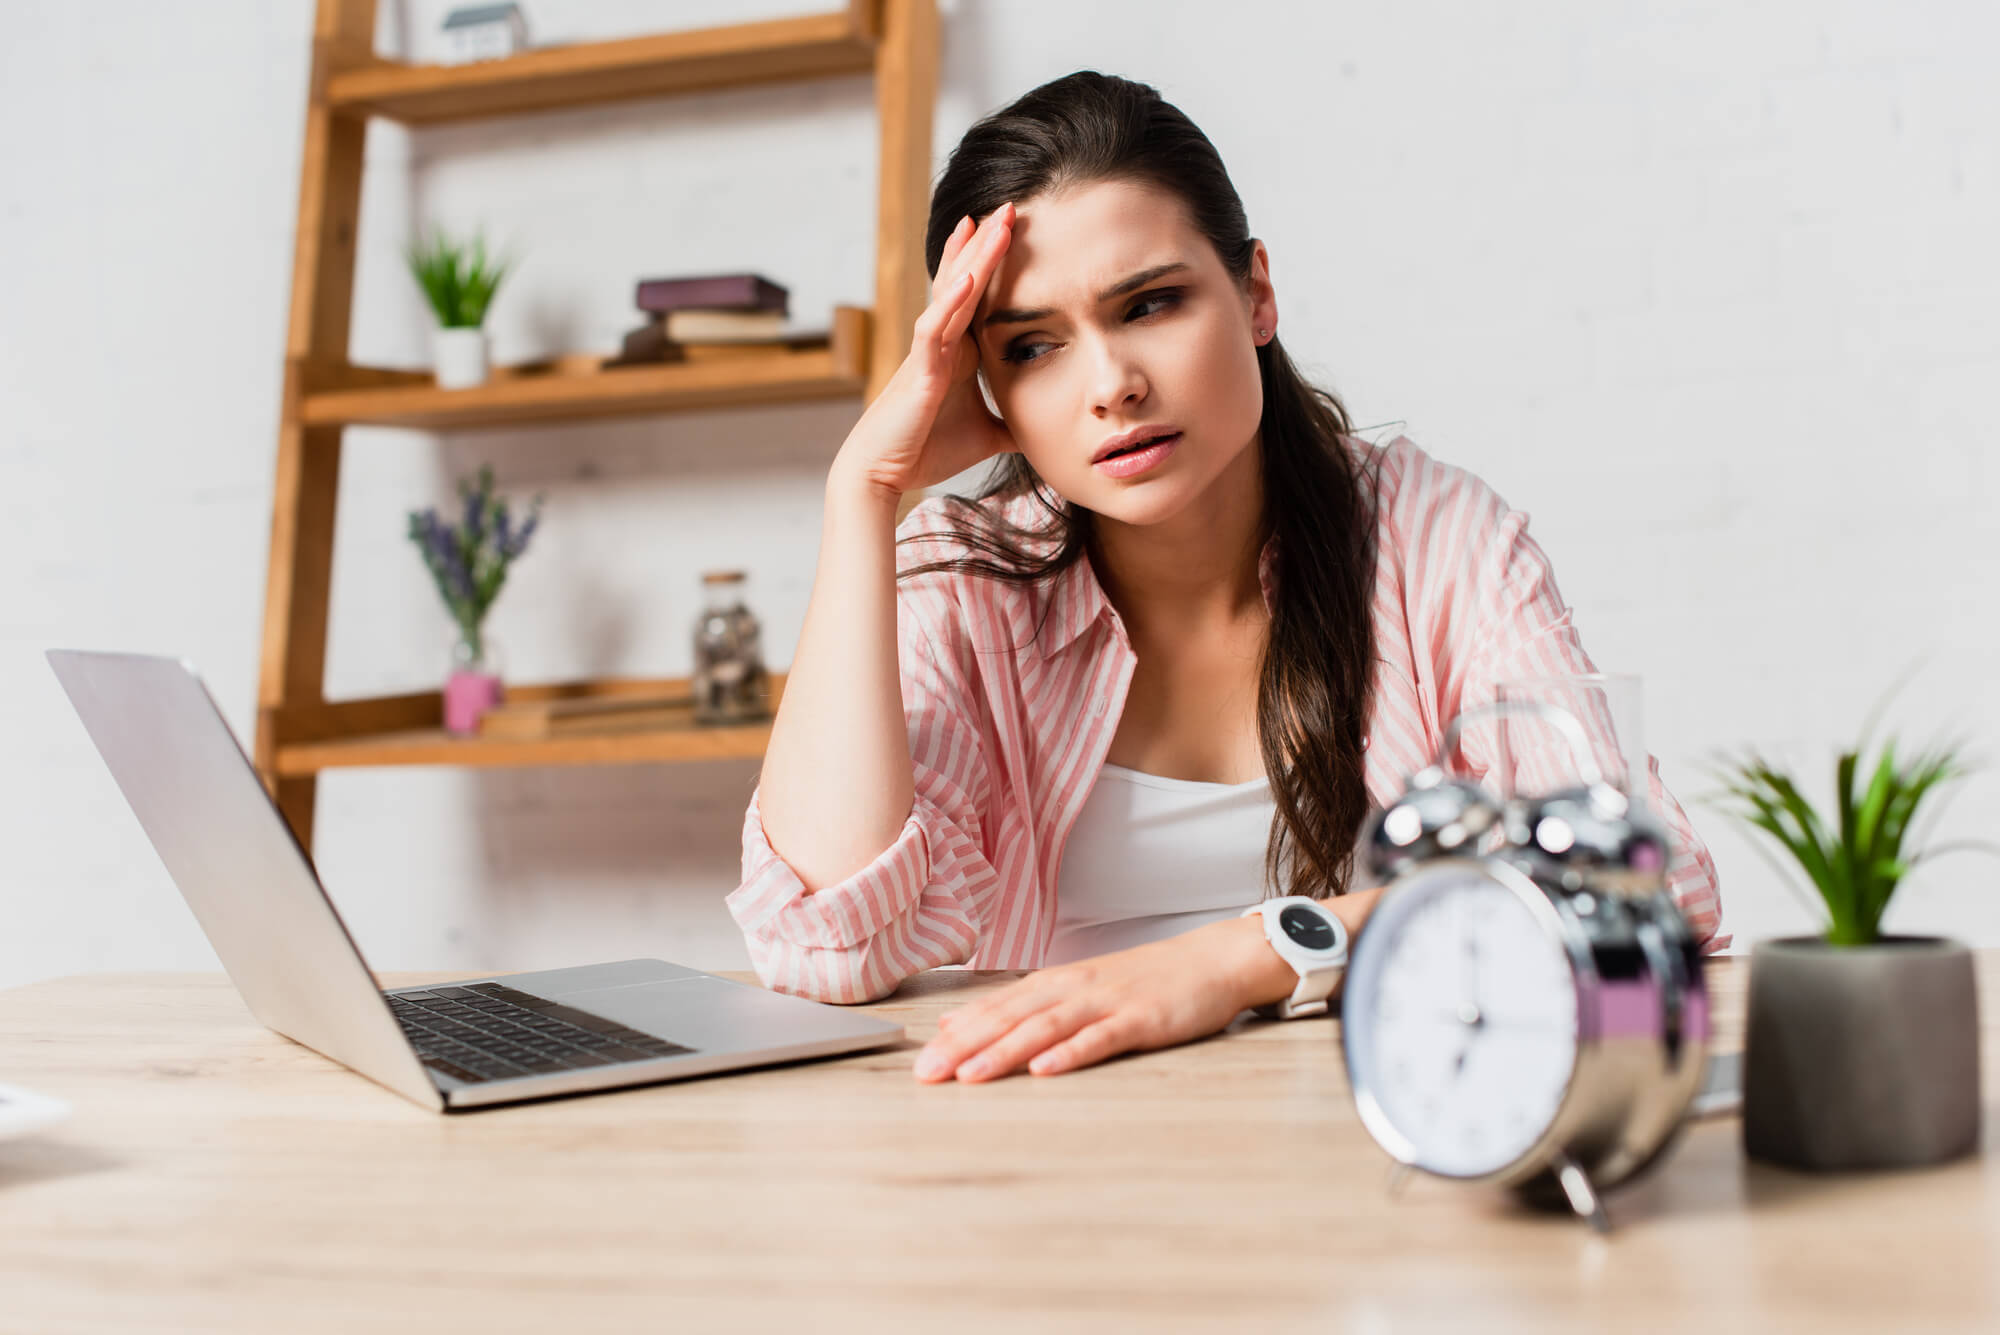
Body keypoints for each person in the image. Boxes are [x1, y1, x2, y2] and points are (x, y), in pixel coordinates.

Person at [727, 71, 1724, 1085]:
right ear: (987, 386)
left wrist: (1244, 955)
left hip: (1385, 1122)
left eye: (1149, 304)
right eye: (1033, 347)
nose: (1111, 384)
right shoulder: (966, 579)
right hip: (1045, 1139)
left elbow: (1638, 897)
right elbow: (829, 948)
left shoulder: (1432, 538)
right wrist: (863, 493)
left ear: (1254, 293)